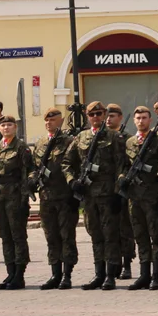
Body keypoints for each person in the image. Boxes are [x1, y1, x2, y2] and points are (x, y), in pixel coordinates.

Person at [62, 101, 126, 291]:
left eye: (99, 113)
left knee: (110, 235)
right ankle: (99, 273)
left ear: (105, 114)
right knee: (95, 234)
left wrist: (118, 192)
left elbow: (121, 166)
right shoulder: (81, 137)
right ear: (87, 117)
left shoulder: (115, 137)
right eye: (92, 114)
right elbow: (67, 162)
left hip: (107, 194)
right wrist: (72, 181)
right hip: (89, 195)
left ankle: (110, 275)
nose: (96, 117)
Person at [119, 105, 158, 290]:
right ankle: (144, 274)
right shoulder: (130, 142)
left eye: (144, 118)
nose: (141, 121)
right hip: (135, 197)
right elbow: (124, 165)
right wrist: (122, 178)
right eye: (138, 118)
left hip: (152, 197)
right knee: (140, 236)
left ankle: (156, 275)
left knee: (156, 236)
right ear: (134, 121)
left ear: (150, 120)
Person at [30, 107, 78, 290]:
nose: (49, 123)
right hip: (46, 196)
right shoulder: (42, 142)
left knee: (67, 236)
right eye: (47, 121)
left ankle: (67, 274)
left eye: (53, 120)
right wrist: (32, 179)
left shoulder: (69, 142)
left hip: (65, 196)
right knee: (51, 236)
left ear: (61, 121)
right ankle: (55, 273)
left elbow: (73, 166)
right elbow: (35, 166)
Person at [0, 115, 34, 290]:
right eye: (3, 125)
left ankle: (19, 275)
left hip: (15, 195)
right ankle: (10, 272)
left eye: (9, 125)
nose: (6, 128)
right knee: (5, 236)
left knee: (17, 236)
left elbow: (27, 173)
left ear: (15, 127)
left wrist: (23, 197)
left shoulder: (21, 148)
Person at [107, 103, 135, 280]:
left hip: (123, 190)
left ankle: (127, 264)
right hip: (104, 190)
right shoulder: (102, 138)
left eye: (113, 116)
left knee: (125, 229)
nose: (109, 119)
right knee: (110, 230)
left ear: (120, 117)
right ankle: (113, 264)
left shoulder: (127, 138)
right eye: (107, 116)